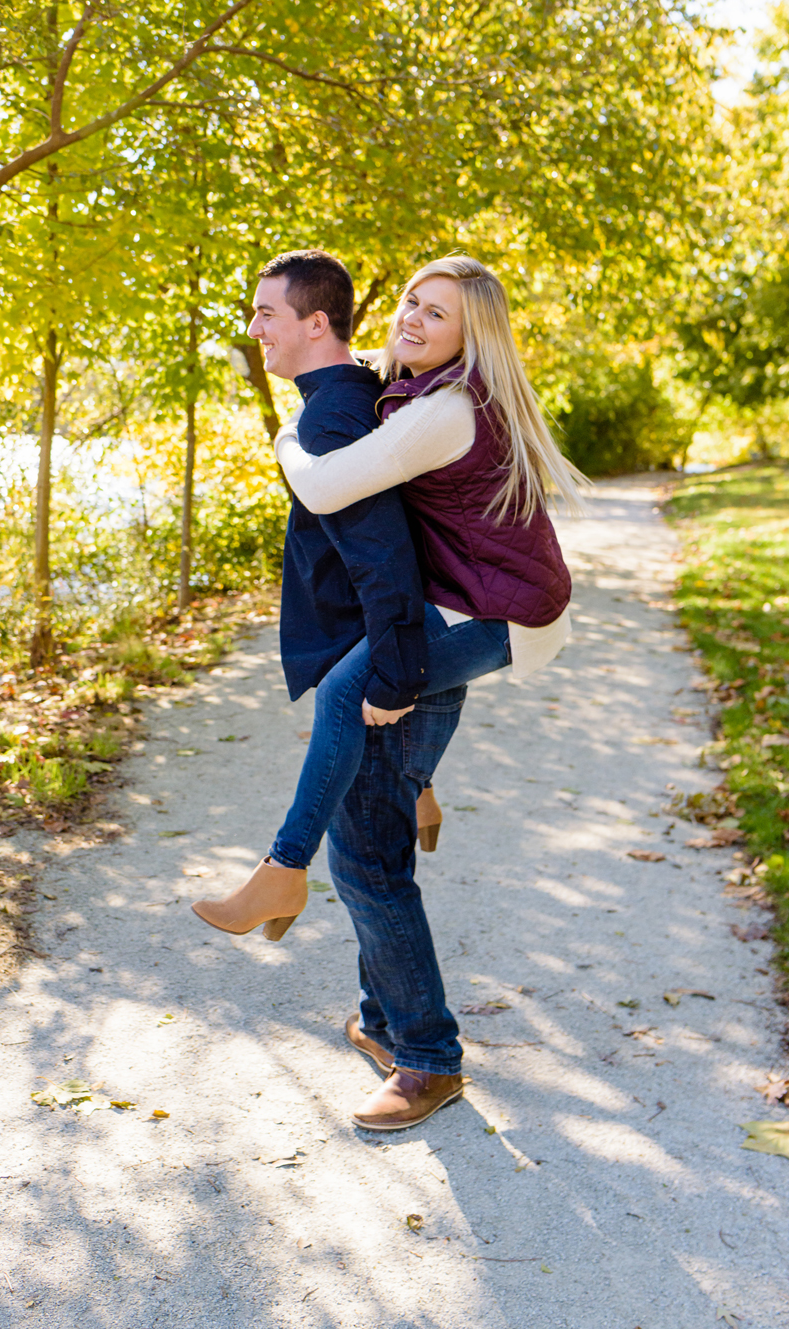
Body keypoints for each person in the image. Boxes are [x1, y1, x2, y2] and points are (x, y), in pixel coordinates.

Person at [192, 251, 582, 1130]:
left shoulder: (443, 408)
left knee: (346, 713)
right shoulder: (402, 387)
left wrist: (286, 431)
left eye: (435, 314)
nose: (411, 318)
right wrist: (351, 366)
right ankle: (384, 1007)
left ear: (467, 340)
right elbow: (360, 363)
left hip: (502, 617)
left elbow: (328, 482)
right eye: (410, 300)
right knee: (374, 818)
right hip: (461, 605)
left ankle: (416, 1043)